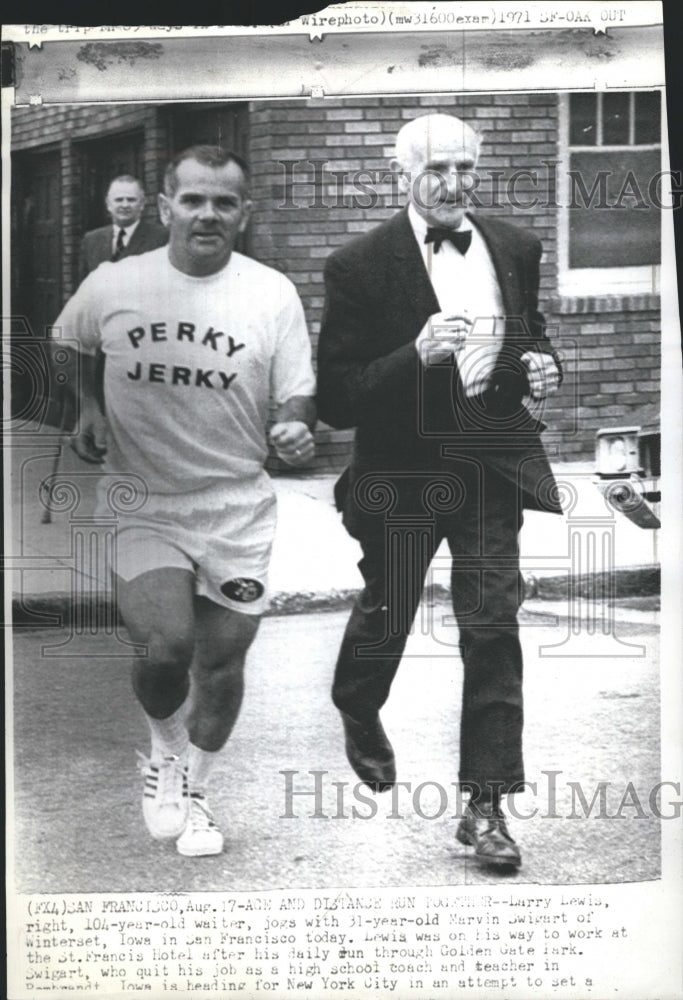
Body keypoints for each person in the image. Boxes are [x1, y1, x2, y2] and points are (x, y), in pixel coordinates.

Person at [316, 113, 563, 870]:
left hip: (488, 456)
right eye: (436, 170)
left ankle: (485, 808)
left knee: (491, 623)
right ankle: (357, 703)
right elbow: (336, 398)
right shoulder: (358, 265)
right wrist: (413, 355)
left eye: (464, 167)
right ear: (403, 175)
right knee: (388, 607)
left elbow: (526, 335)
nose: (453, 184)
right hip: (402, 468)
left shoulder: (513, 246)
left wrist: (540, 367)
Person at [55, 146, 316, 857]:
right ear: (164, 206)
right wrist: (87, 408)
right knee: (165, 645)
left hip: (235, 505)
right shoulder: (114, 281)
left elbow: (297, 389)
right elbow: (70, 341)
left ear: (244, 214)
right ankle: (162, 753)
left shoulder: (271, 294)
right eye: (193, 200)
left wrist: (293, 423)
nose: (208, 214)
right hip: (144, 498)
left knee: (222, 665)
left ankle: (196, 789)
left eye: (223, 202)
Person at [78, 175, 168, 281]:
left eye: (131, 200)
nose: (125, 205)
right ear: (108, 204)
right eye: (119, 200)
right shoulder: (91, 240)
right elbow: (84, 287)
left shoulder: (162, 237)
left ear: (142, 203)